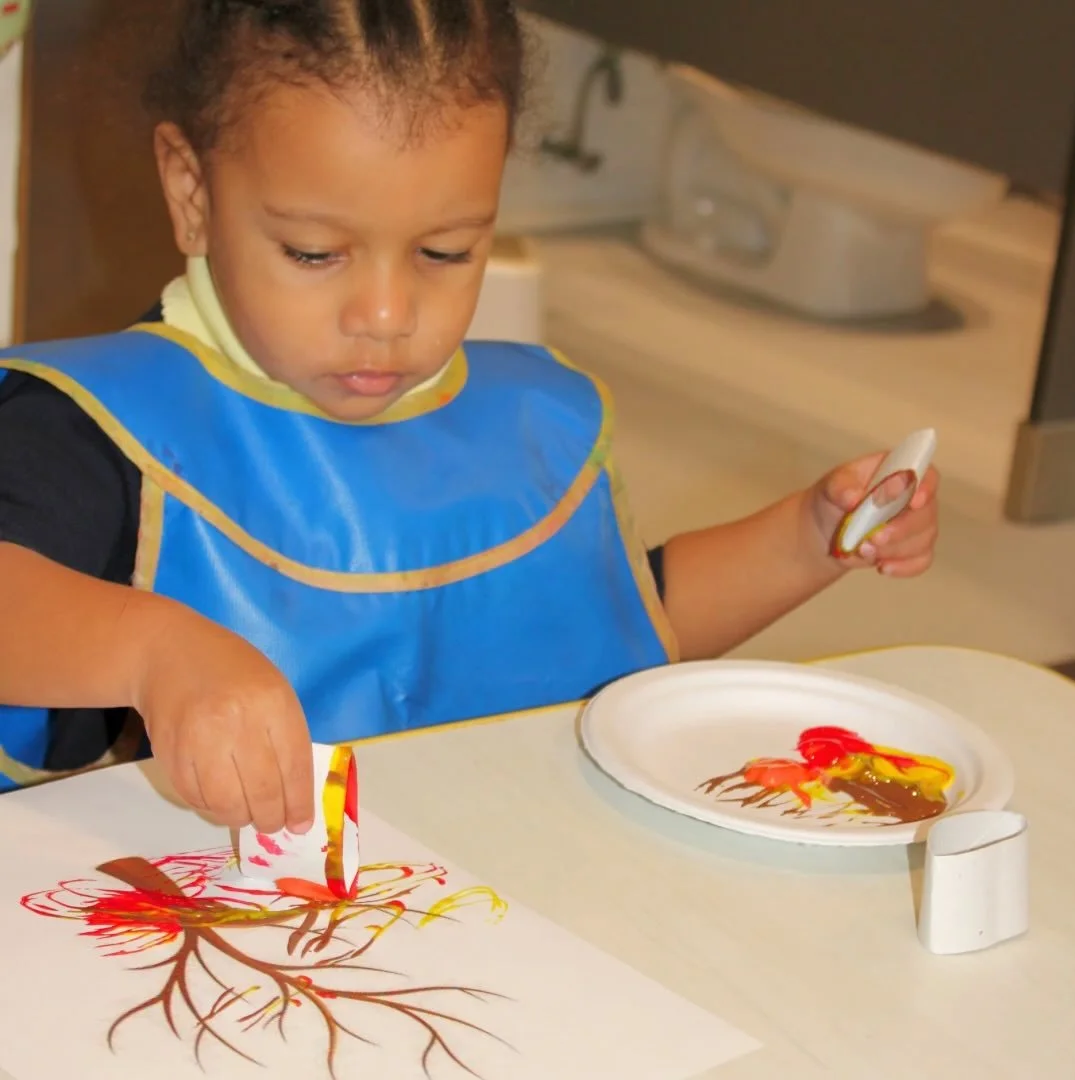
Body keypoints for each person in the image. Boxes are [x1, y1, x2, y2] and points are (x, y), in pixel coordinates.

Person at [0, 0, 938, 835]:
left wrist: (811, 540)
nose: (386, 314)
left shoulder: (530, 426)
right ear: (192, 193)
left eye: (444, 252)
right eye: (316, 253)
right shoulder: (97, 428)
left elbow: (625, 620)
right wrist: (157, 654)